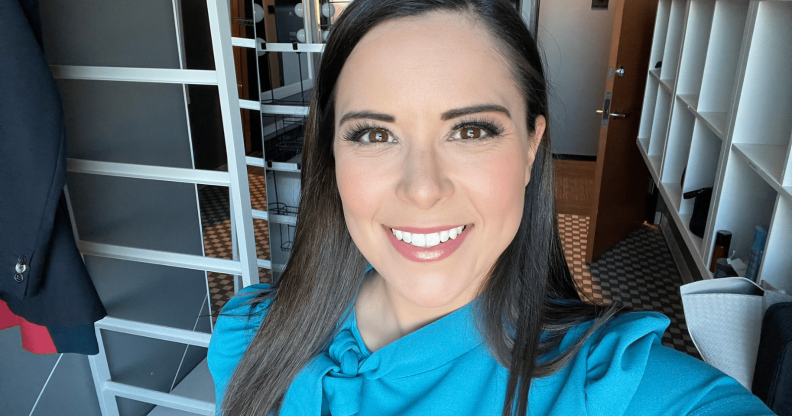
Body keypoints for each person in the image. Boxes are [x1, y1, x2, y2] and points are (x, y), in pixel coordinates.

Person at [207, 1, 774, 415]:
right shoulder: (249, 336)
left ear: (531, 146)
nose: (423, 189)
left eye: (471, 130)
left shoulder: (611, 387)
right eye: (374, 136)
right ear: (330, 155)